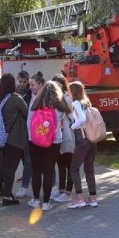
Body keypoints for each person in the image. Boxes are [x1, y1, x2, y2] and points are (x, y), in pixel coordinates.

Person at [27, 79, 71, 211]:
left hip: (34, 142)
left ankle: (35, 200)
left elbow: (29, 123)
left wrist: (32, 137)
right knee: (48, 171)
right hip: (54, 142)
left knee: (36, 171)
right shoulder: (59, 107)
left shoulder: (35, 104)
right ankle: (46, 203)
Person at [0, 73, 28, 206]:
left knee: (1, 165)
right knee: (11, 167)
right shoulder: (16, 99)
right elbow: (26, 114)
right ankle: (7, 196)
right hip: (13, 138)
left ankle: (2, 190)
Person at [67, 81, 98, 208]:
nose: (67, 93)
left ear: (73, 91)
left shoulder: (76, 103)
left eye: (69, 90)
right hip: (92, 139)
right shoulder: (87, 102)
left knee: (74, 168)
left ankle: (79, 198)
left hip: (82, 139)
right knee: (89, 168)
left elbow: (82, 119)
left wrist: (72, 126)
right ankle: (92, 198)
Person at [13, 70, 37, 199]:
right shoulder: (15, 92)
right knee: (23, 159)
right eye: (20, 81)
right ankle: (26, 178)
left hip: (30, 132)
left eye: (24, 82)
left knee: (28, 160)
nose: (22, 84)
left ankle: (25, 185)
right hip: (19, 131)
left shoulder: (29, 94)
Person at [51, 74, 74, 203]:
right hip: (56, 136)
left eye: (58, 85)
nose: (56, 88)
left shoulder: (66, 98)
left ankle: (68, 191)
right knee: (60, 164)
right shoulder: (53, 99)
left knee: (69, 164)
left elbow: (69, 111)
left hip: (67, 135)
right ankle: (60, 189)